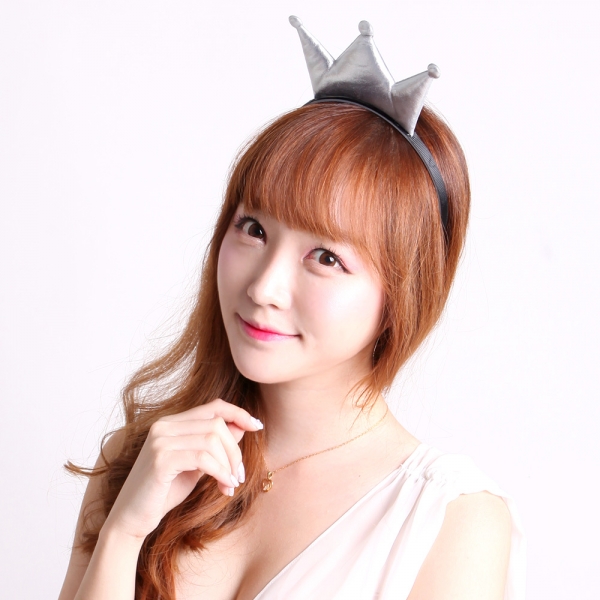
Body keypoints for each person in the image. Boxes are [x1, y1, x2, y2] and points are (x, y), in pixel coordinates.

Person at [58, 17, 525, 600]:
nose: (264, 287)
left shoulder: (449, 523)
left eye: (326, 257)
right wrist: (125, 532)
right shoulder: (145, 459)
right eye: (253, 228)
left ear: (402, 294)